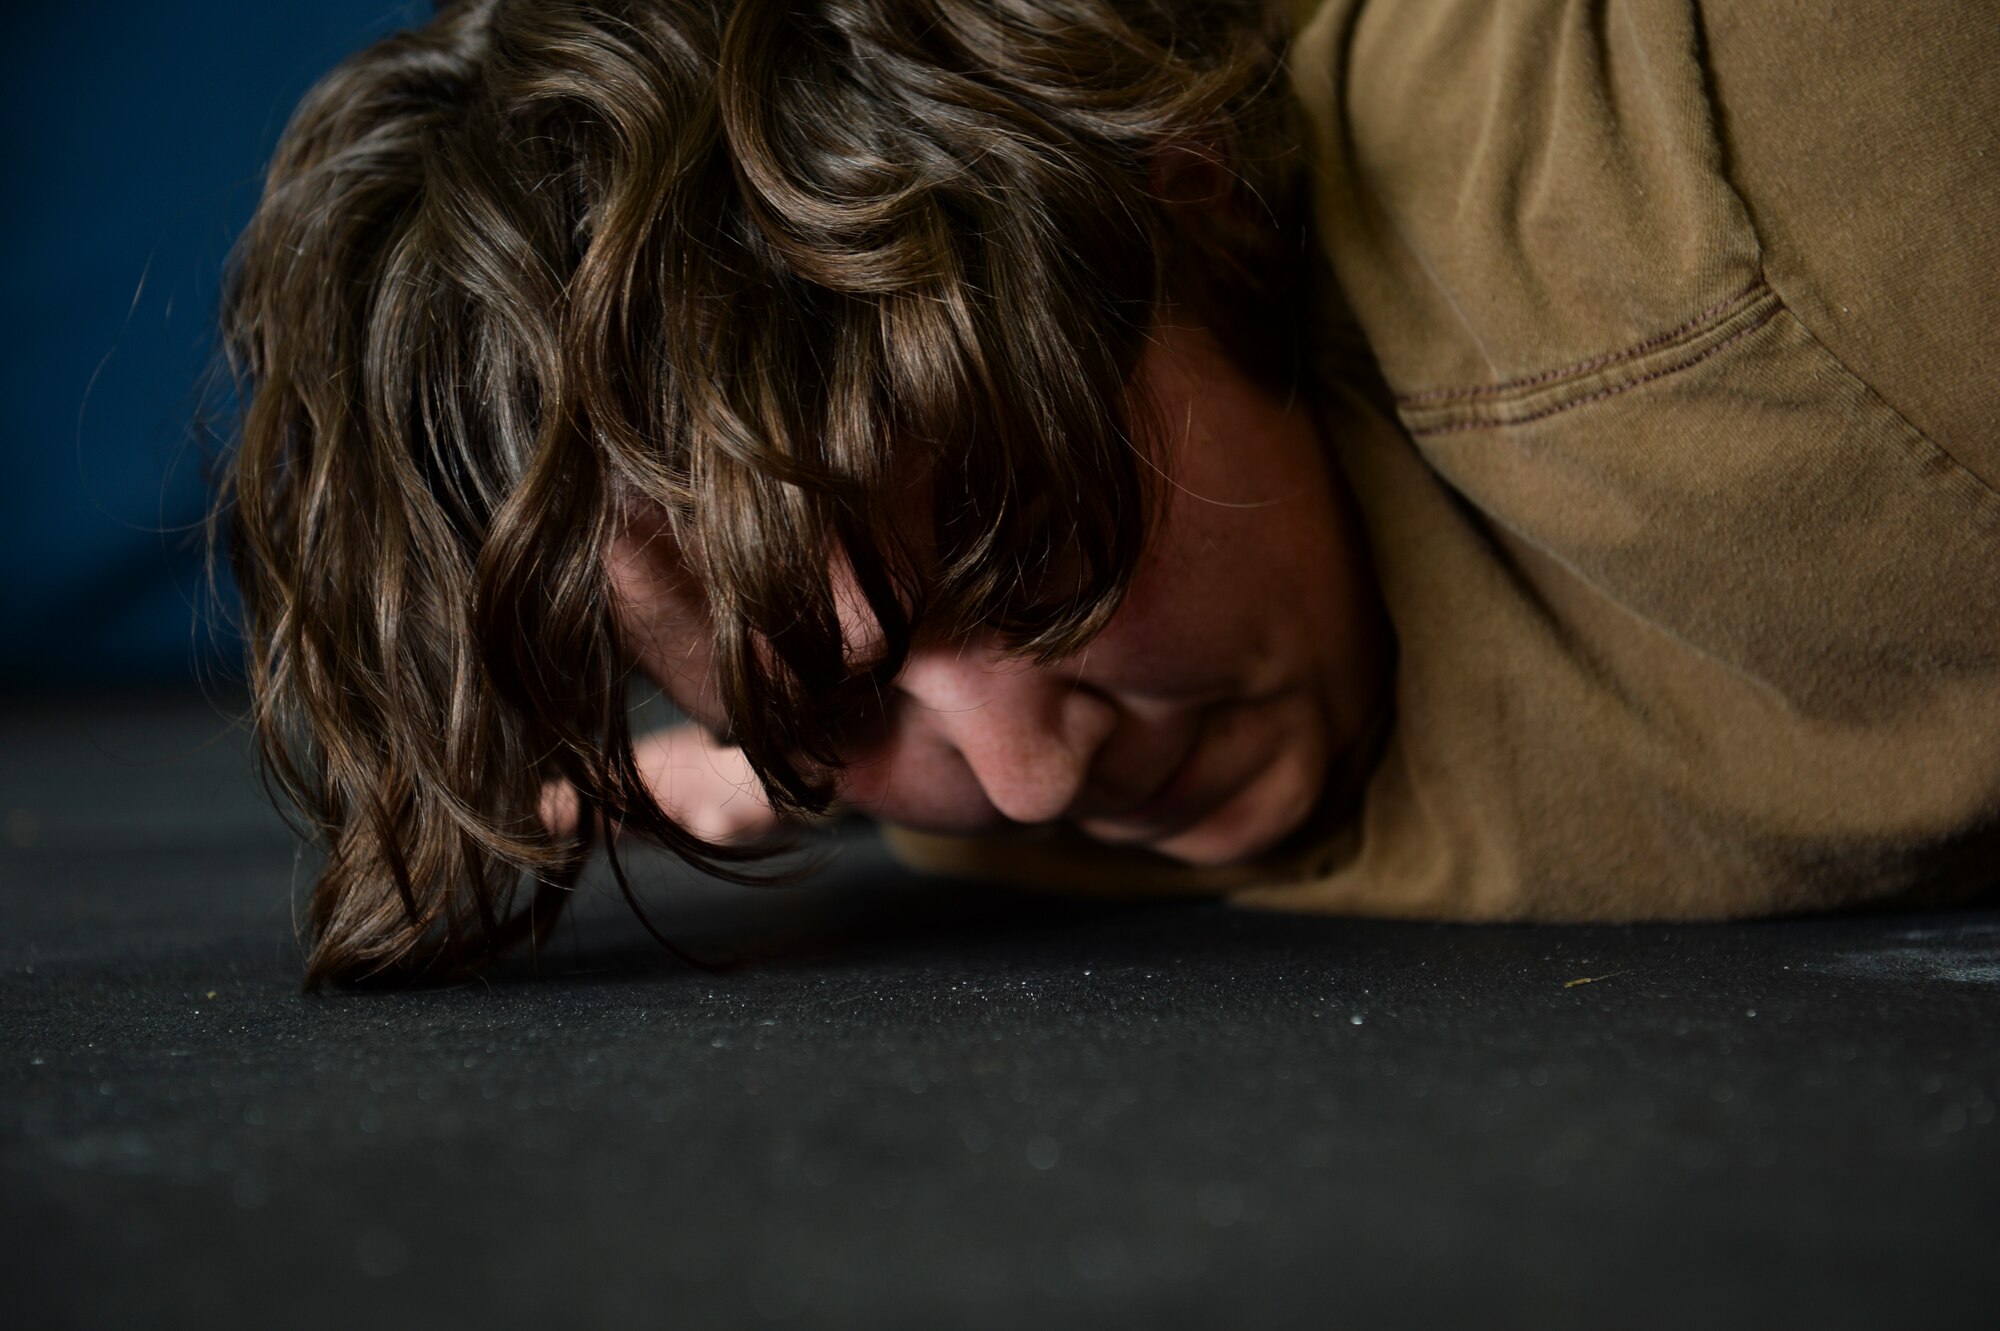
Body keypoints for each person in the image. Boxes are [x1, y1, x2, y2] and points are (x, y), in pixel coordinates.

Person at [219, 0, 2000, 988]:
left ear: (1190, 193)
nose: (1030, 776)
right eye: (829, 702)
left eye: (1030, 547)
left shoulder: (1728, 213)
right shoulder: (963, 736)